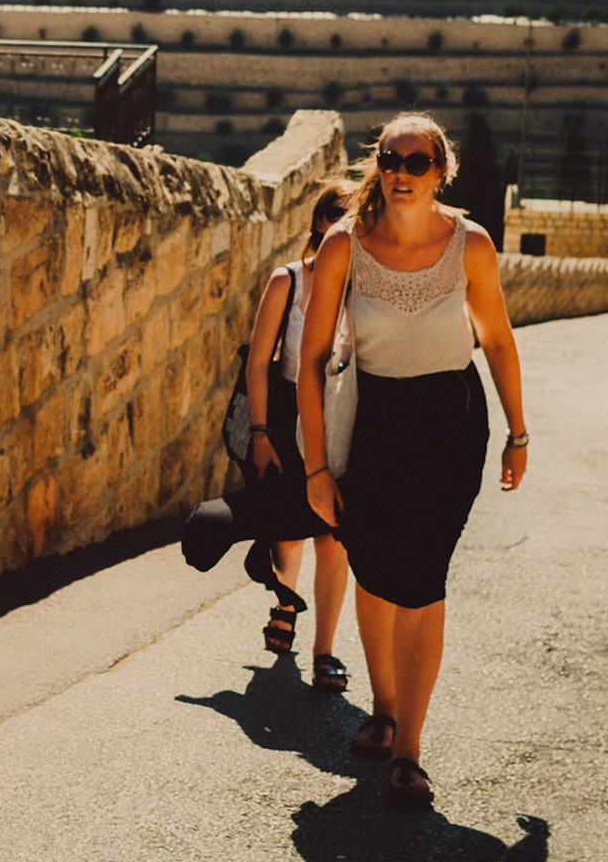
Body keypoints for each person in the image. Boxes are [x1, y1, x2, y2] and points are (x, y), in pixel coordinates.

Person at [297, 113, 528, 812]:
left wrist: (519, 431)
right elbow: (310, 363)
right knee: (373, 565)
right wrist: (314, 469)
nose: (401, 170)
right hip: (374, 425)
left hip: (450, 424)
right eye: (391, 157)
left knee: (423, 577)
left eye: (417, 161)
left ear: (440, 172)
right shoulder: (345, 245)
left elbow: (497, 341)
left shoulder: (472, 245)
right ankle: (384, 706)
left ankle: (409, 752)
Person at [182, 182, 354, 692]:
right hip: (283, 418)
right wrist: (259, 435)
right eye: (339, 216)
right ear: (320, 223)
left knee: (336, 536)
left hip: (341, 417)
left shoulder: (365, 287)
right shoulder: (290, 281)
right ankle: (285, 601)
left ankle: (325, 651)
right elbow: (258, 362)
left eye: (358, 219)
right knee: (288, 525)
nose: (347, 228)